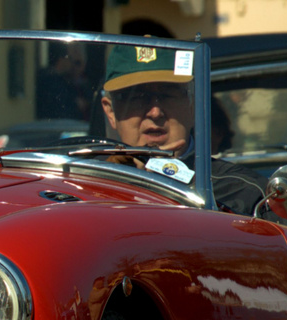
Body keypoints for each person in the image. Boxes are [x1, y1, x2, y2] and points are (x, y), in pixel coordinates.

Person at [99, 44, 265, 215]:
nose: (155, 112)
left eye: (167, 96)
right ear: (110, 112)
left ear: (193, 104)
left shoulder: (244, 193)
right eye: (137, 97)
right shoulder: (88, 185)